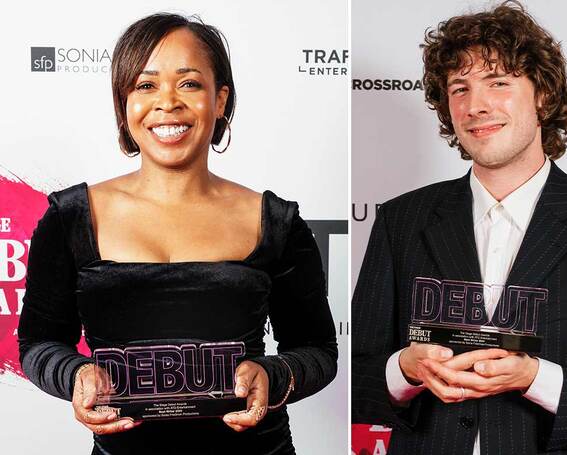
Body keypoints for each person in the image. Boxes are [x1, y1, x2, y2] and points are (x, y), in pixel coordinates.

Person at [351, 2, 567, 454]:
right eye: (459, 88)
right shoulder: (403, 219)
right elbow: (353, 384)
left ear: (543, 95)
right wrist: (406, 371)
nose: (476, 105)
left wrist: (537, 378)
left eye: (498, 83)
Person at [18, 13, 337, 455]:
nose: (167, 102)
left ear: (220, 99)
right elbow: (38, 344)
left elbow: (317, 350)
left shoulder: (275, 220)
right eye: (145, 85)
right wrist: (76, 375)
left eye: (189, 83)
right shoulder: (70, 218)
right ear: (124, 103)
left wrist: (272, 375)